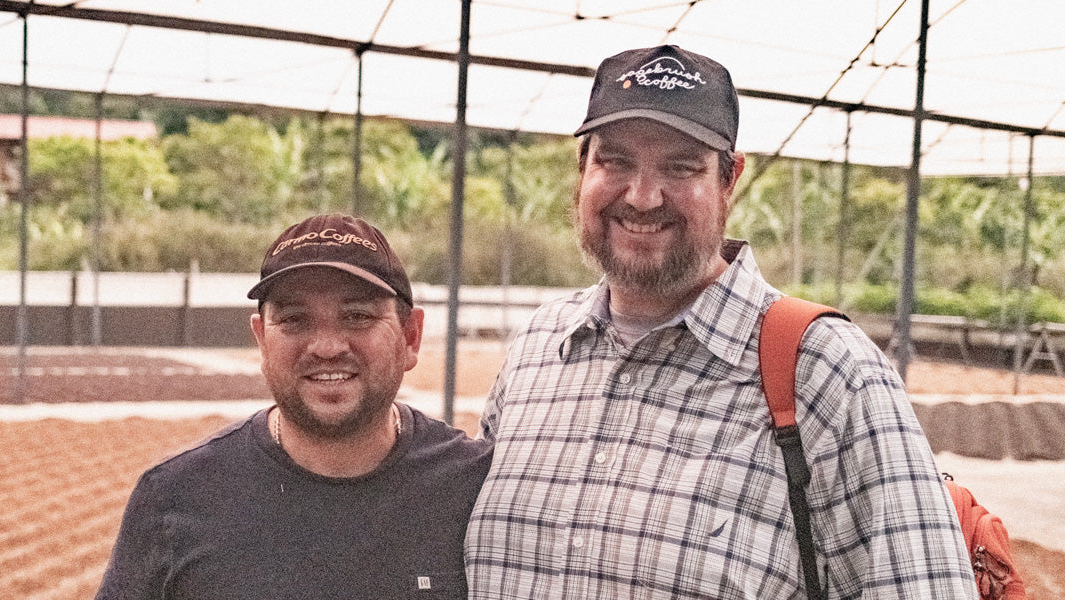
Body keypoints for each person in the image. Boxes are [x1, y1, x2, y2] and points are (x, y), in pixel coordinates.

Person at [464, 45, 977, 598]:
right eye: (615, 161)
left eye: (681, 167)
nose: (642, 196)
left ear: (728, 180)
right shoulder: (538, 349)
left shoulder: (829, 373)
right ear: (582, 169)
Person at [95, 213, 491, 600]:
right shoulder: (173, 497)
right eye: (295, 319)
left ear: (411, 336)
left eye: (357, 316)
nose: (327, 346)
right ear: (262, 340)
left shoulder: (478, 488)